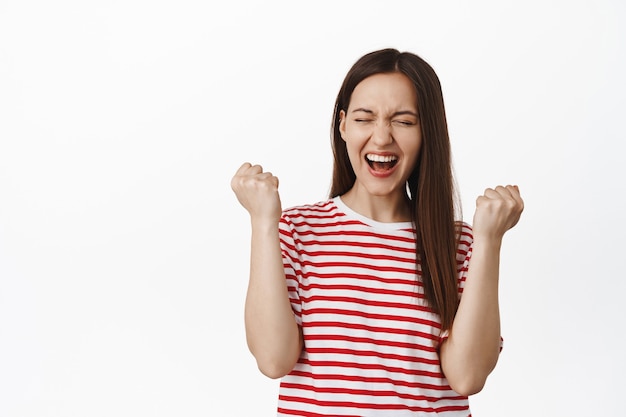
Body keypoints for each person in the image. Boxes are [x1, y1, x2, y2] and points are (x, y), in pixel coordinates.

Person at [230, 48, 524, 416]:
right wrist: (262, 222)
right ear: (342, 126)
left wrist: (489, 242)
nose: (382, 137)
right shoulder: (296, 231)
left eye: (403, 121)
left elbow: (467, 377)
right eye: (365, 118)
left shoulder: (461, 244)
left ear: (428, 131)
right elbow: (273, 360)